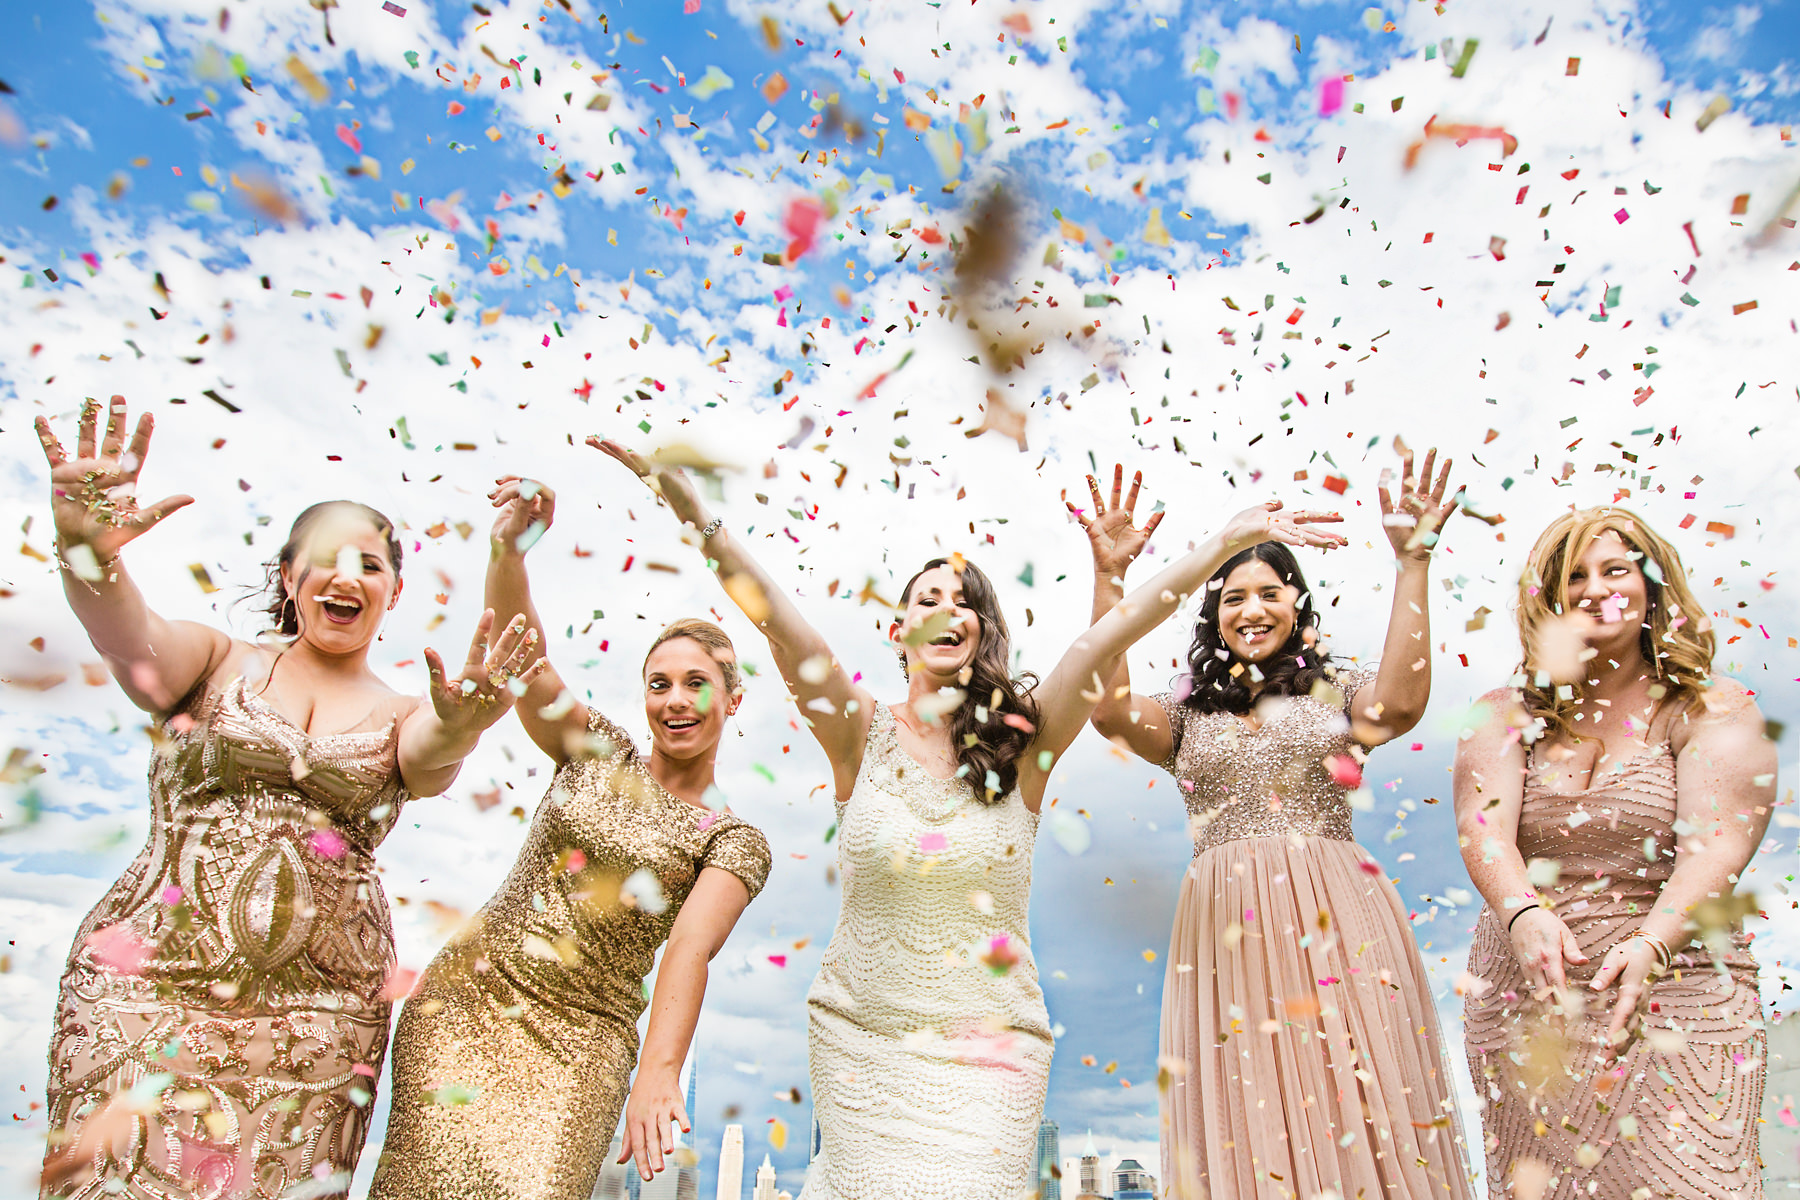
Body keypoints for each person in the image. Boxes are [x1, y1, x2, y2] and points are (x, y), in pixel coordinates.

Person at [593, 437, 1346, 1200]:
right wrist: (692, 511)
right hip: (862, 1044)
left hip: (991, 1058)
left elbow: (1110, 637)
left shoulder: (1024, 746)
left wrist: (1227, 543)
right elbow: (780, 625)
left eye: (966, 604)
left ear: (982, 632)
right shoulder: (856, 732)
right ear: (899, 632)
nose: (947, 611)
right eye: (928, 599)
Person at [34, 397, 538, 1198]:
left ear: (393, 592)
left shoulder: (406, 714)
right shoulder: (213, 658)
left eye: (370, 564)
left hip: (321, 1023)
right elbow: (126, 637)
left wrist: (465, 717)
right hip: (147, 991)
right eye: (328, 559)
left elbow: (437, 749)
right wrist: (85, 551)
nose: (348, 576)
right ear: (290, 578)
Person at [1084, 451, 1475, 1200]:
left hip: (1338, 915)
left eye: (1269, 593)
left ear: (1297, 604)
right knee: (1245, 1109)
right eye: (1233, 598)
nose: (1251, 610)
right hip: (1223, 931)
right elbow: (1108, 710)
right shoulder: (1184, 715)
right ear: (1213, 614)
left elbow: (1398, 705)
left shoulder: (1337, 689)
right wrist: (1110, 579)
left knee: (1358, 1102)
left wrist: (1414, 561)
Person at [369, 477, 771, 1200]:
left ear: (733, 699)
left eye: (695, 684)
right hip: (468, 1004)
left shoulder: (732, 839)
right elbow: (521, 659)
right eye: (659, 684)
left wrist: (659, 1072)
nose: (675, 701)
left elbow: (688, 949)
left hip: (583, 1042)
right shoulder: (596, 749)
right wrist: (509, 550)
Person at [1457, 507, 1773, 1199]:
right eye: (1575, 576)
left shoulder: (1712, 706)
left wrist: (1653, 942)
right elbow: (1484, 831)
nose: (1598, 588)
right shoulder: (1503, 712)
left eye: (1617, 569)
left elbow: (1718, 844)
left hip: (1678, 987)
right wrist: (1521, 914)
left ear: (1653, 586)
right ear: (1549, 600)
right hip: (1529, 998)